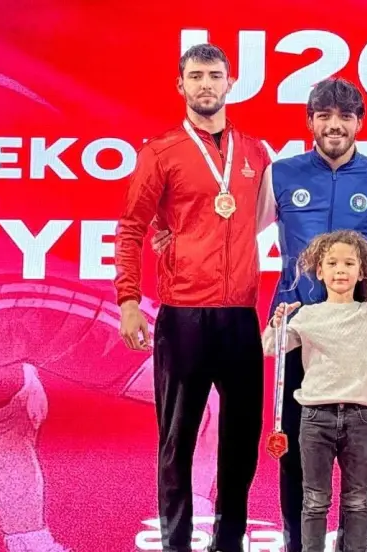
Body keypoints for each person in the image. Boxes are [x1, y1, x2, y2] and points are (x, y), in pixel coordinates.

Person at [151, 77, 367, 552]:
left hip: (359, 336)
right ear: (310, 121)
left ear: (359, 122)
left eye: (345, 117)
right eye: (324, 116)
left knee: (365, 455)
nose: (334, 125)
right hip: (297, 331)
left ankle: (358, 546)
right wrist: (172, 228)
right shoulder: (282, 174)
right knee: (294, 450)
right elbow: (232, 229)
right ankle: (297, 544)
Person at [114, 43, 271, 552]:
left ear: (230, 83)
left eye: (215, 75)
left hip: (240, 316)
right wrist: (129, 301)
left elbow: (256, 219)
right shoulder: (160, 152)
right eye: (196, 76)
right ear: (181, 85)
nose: (206, 84)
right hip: (183, 316)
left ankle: (229, 541)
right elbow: (131, 228)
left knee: (242, 439)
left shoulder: (255, 152)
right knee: (178, 438)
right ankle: (177, 543)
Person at [261, 230, 367, 552]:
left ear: (362, 271)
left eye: (349, 263)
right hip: (314, 419)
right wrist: (277, 323)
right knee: (314, 500)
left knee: (357, 500)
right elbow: (270, 348)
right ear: (319, 271)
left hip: (360, 420)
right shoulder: (307, 315)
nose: (340, 270)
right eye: (332, 263)